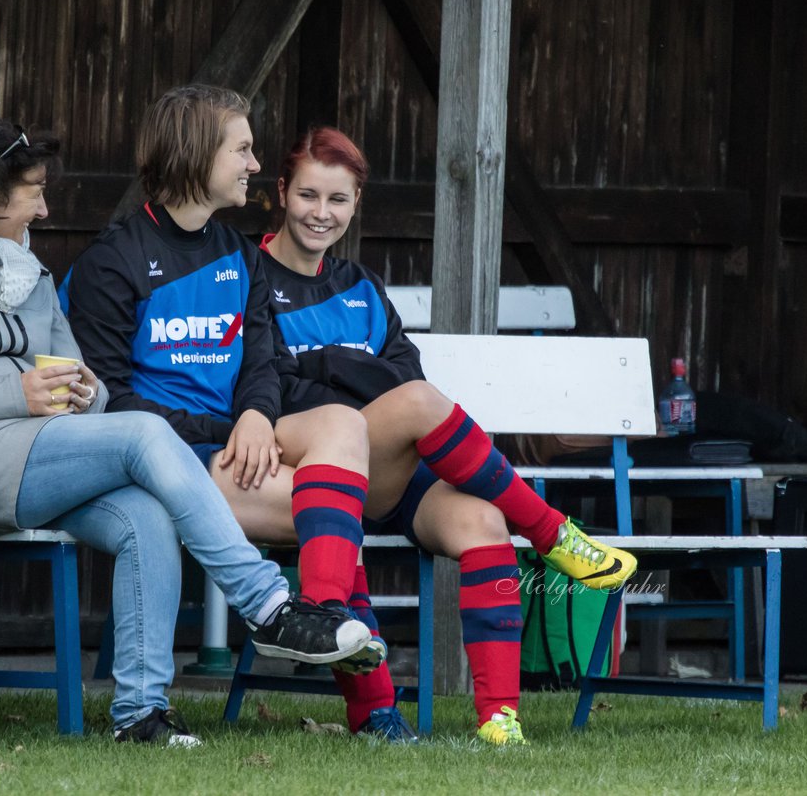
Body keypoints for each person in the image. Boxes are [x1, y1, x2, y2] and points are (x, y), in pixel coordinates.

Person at [0, 113, 372, 746]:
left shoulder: (26, 269)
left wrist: (81, 389)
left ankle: (140, 713)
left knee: (146, 514)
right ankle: (267, 604)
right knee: (142, 434)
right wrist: (10, 391)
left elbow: (87, 380)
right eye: (33, 193)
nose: (45, 211)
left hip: (46, 450)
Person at [256, 126, 640, 744]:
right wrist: (357, 374)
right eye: (308, 196)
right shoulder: (249, 279)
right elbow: (278, 388)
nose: (321, 214)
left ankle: (498, 718)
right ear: (280, 192)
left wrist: (335, 368)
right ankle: (548, 534)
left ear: (356, 205)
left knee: (483, 524)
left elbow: (407, 373)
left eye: (338, 200)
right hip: (317, 469)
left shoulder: (361, 286)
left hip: (394, 471)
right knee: (404, 406)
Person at [63, 85, 385, 682]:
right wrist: (234, 429)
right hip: (166, 460)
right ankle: (362, 690)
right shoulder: (113, 262)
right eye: (242, 149)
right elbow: (110, 403)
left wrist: (257, 416)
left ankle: (321, 616)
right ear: (198, 154)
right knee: (336, 517)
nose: (255, 165)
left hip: (236, 446)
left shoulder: (240, 255)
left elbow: (261, 363)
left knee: (344, 426)